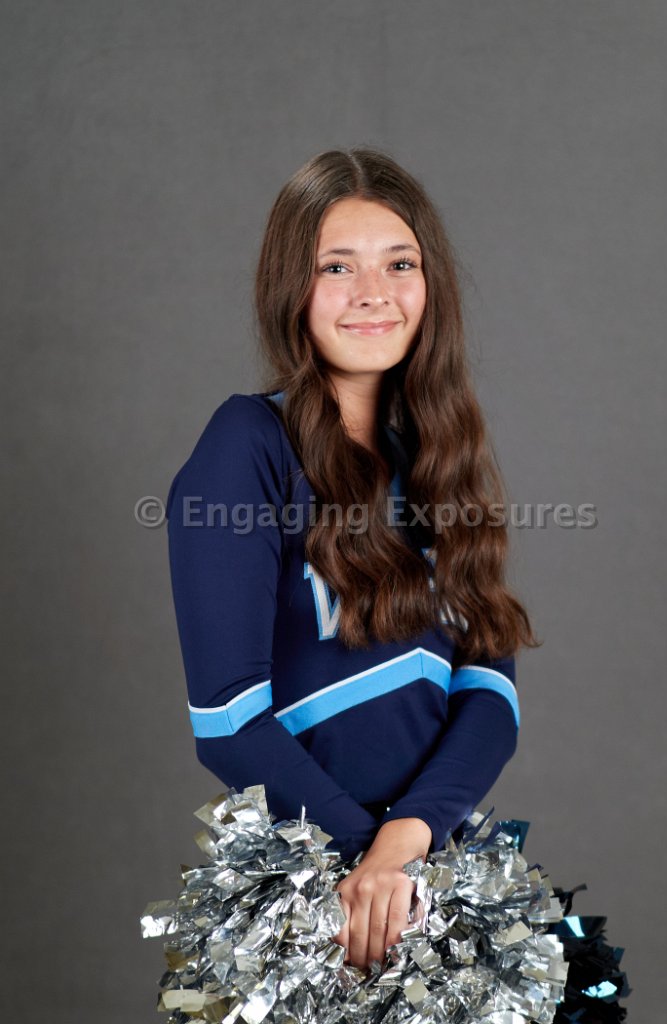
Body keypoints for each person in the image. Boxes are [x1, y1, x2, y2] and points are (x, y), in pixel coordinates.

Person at [164, 147, 540, 976]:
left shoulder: (435, 455)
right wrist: (365, 862)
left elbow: (489, 684)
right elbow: (225, 719)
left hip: (430, 873)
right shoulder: (248, 445)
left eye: (399, 264)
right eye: (337, 266)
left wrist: (407, 844)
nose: (374, 292)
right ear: (290, 289)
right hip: (314, 897)